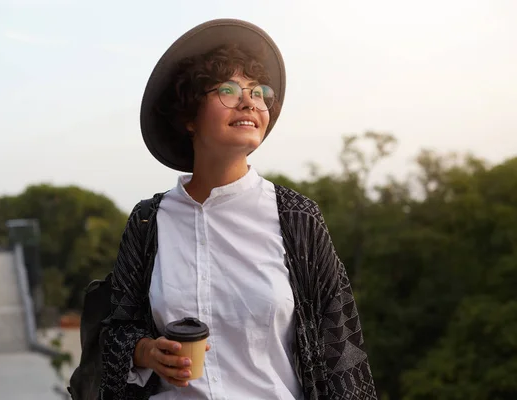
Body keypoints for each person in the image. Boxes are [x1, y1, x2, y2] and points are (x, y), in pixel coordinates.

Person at [99, 19, 377, 400]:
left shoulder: (297, 219)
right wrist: (145, 351)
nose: (250, 101)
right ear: (188, 116)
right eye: (228, 90)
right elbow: (114, 331)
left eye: (259, 92)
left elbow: (341, 353)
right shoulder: (148, 222)